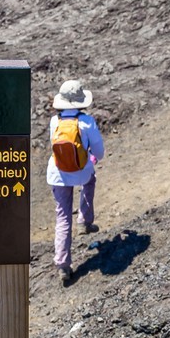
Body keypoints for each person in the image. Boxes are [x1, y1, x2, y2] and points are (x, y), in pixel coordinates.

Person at [46, 79, 104, 286]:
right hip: (81, 171)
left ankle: (63, 265)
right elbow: (99, 152)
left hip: (57, 173)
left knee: (62, 217)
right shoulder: (87, 122)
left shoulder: (55, 122)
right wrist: (91, 158)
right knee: (90, 180)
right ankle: (84, 221)